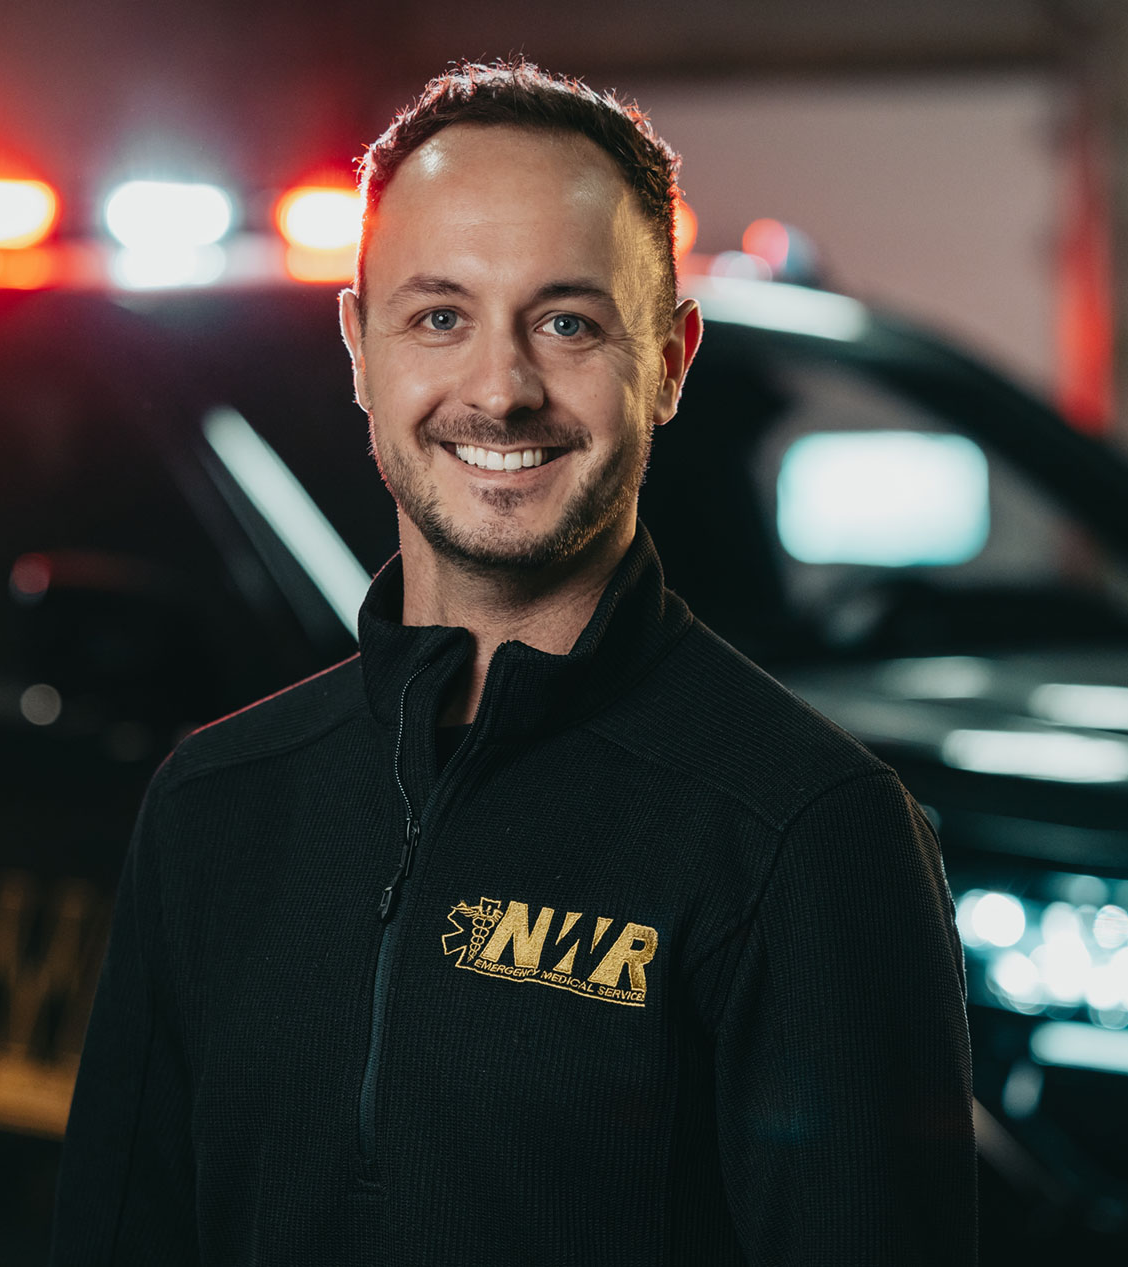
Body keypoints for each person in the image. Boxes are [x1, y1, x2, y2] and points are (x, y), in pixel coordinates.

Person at [51, 60, 976, 1264]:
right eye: (439, 316)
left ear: (671, 361)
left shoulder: (805, 835)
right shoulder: (213, 807)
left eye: (567, 322)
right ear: (360, 348)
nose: (499, 389)